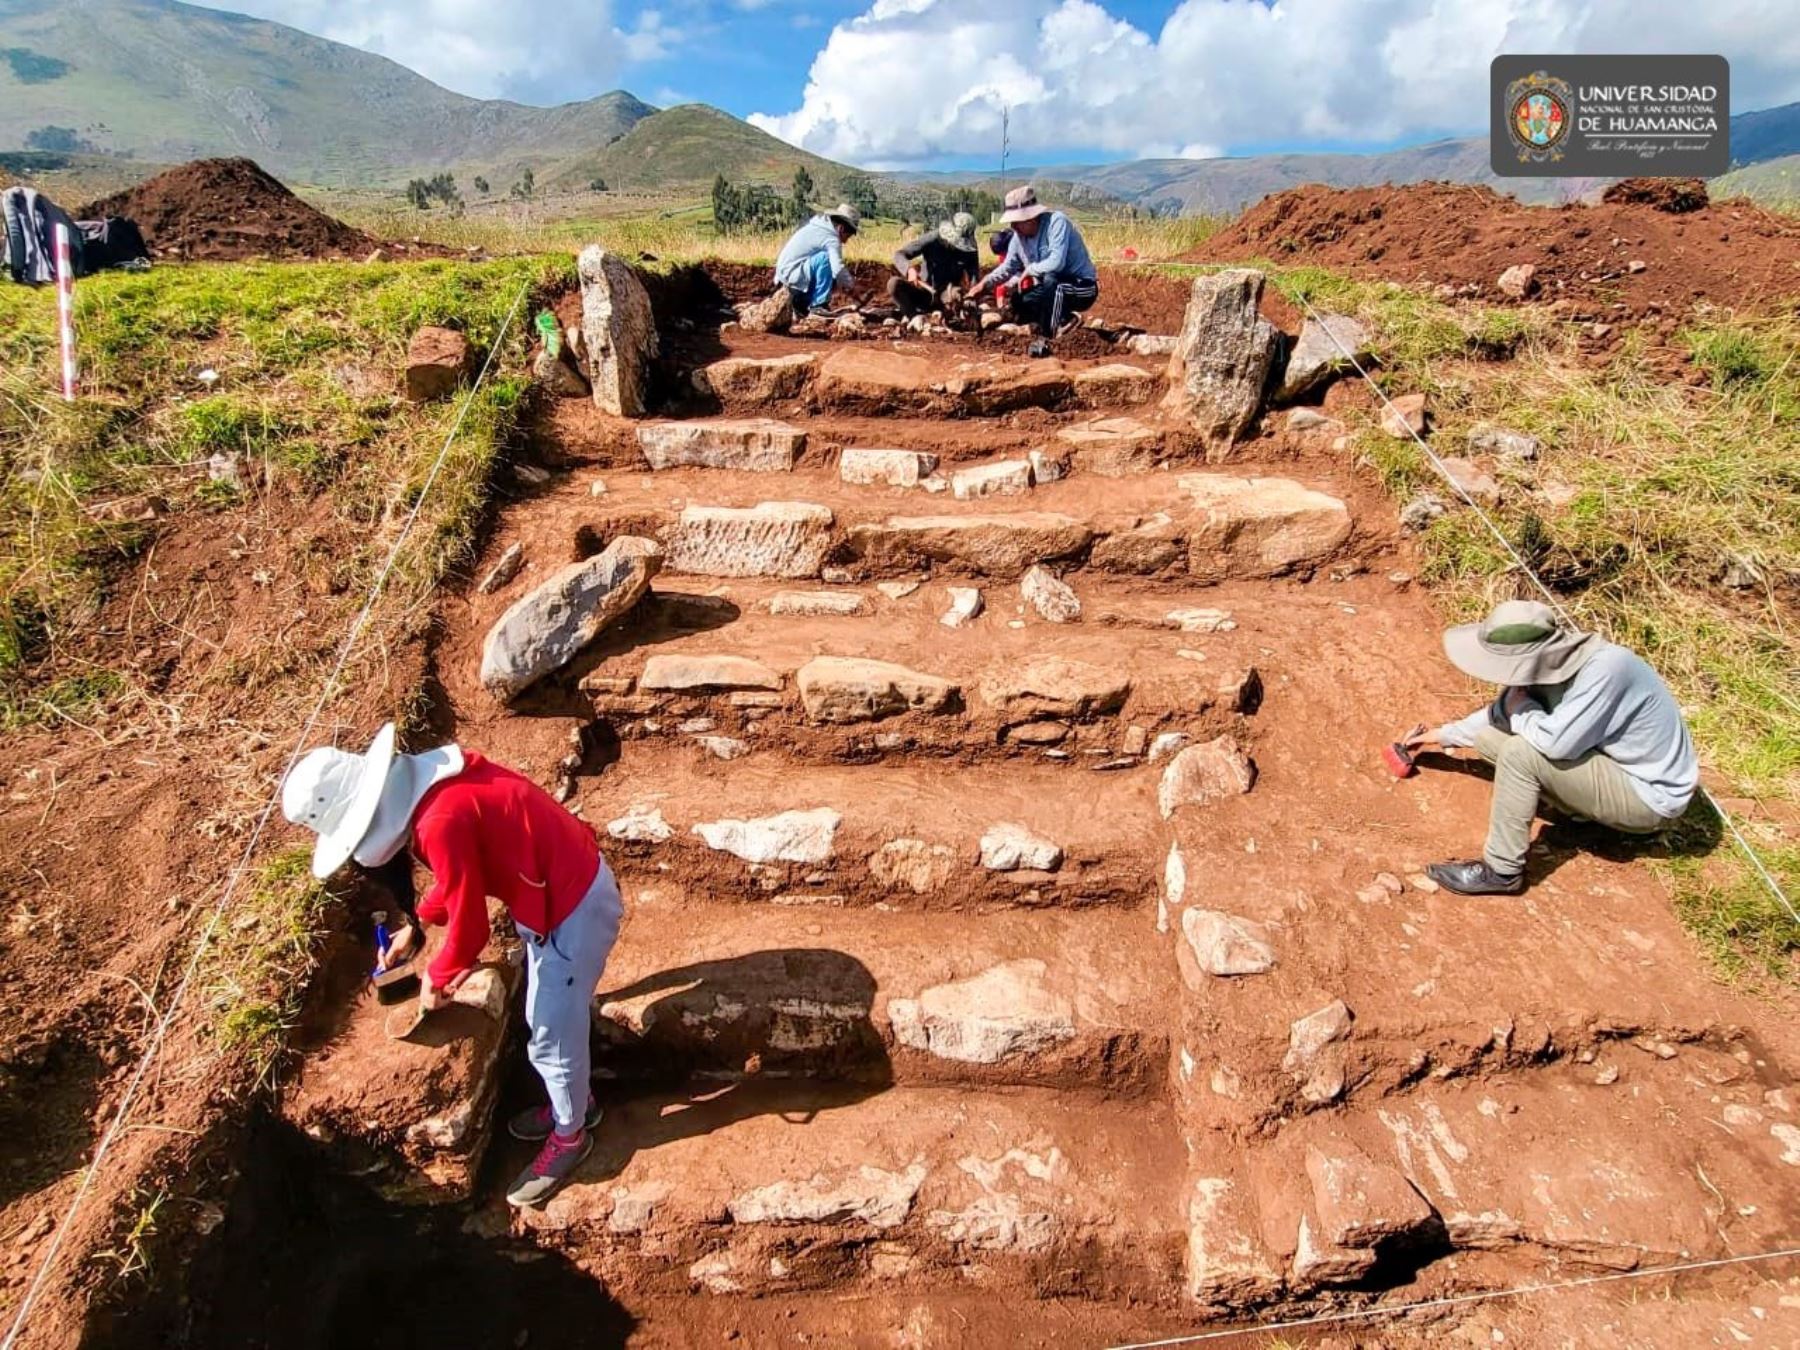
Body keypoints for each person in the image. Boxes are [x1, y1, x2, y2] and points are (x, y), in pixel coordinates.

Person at [282, 723, 624, 1208]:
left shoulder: (437, 823)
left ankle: (571, 1137)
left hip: (573, 909)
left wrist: (437, 979)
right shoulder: (436, 795)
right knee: (552, 1024)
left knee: (549, 1033)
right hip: (560, 887)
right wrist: (416, 925)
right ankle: (573, 1103)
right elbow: (462, 876)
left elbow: (471, 928)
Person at [1405, 600, 1698, 896]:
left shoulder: (1607, 670)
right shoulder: (1549, 665)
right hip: (1611, 770)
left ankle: (1502, 871)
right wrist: (1441, 736)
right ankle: (1581, 817)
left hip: (1649, 798)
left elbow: (1553, 743)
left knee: (1521, 754)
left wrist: (1522, 707)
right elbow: (1502, 713)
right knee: (1488, 739)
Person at [968, 186, 1098, 338]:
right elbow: (1007, 268)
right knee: (1018, 301)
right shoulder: (1018, 238)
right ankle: (1067, 320)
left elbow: (1057, 263)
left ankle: (1049, 335)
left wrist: (1030, 269)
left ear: (1030, 218)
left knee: (1052, 281)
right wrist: (983, 285)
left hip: (1081, 286)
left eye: (1016, 221)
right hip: (1050, 288)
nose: (1013, 227)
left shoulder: (1056, 222)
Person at [773, 202, 861, 316]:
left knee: (831, 275)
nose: (845, 241)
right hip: (791, 280)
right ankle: (818, 306)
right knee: (826, 259)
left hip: (786, 278)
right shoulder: (831, 238)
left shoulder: (818, 227)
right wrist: (853, 287)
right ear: (841, 228)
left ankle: (801, 306)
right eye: (848, 236)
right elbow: (838, 269)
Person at [887, 211, 979, 317]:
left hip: (947, 295)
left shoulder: (970, 249)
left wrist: (971, 297)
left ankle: (948, 314)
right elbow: (900, 254)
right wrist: (909, 270)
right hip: (924, 292)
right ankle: (914, 317)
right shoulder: (933, 238)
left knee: (956, 294)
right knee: (893, 284)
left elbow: (974, 278)